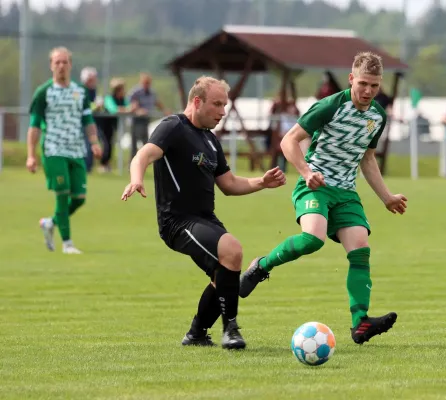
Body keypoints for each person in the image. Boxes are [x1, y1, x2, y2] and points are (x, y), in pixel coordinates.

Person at [238, 52, 408, 345]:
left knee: (360, 248)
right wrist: (305, 171)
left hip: (346, 192)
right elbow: (288, 140)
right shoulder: (330, 106)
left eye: (375, 86)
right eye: (364, 84)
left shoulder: (377, 116)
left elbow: (367, 160)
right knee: (312, 239)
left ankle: (360, 323)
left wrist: (386, 197)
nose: (368, 91)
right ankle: (261, 266)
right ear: (351, 79)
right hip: (314, 185)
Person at [120, 76, 286, 349]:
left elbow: (229, 184)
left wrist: (262, 183)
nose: (223, 112)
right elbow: (143, 155)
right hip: (177, 220)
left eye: (225, 105)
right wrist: (136, 178)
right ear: (197, 102)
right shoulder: (173, 127)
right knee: (232, 251)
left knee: (223, 274)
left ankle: (196, 334)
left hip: (204, 219)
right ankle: (230, 329)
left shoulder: (210, 141)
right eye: (217, 104)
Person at [26, 47, 102, 254]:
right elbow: (34, 125)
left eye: (65, 62)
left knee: (79, 199)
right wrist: (31, 155)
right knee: (62, 193)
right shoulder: (44, 92)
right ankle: (67, 244)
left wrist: (94, 142)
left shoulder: (80, 91)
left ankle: (50, 222)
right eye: (57, 62)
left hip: (76, 150)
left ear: (70, 65)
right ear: (51, 65)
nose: (61, 66)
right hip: (53, 149)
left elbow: (87, 119)